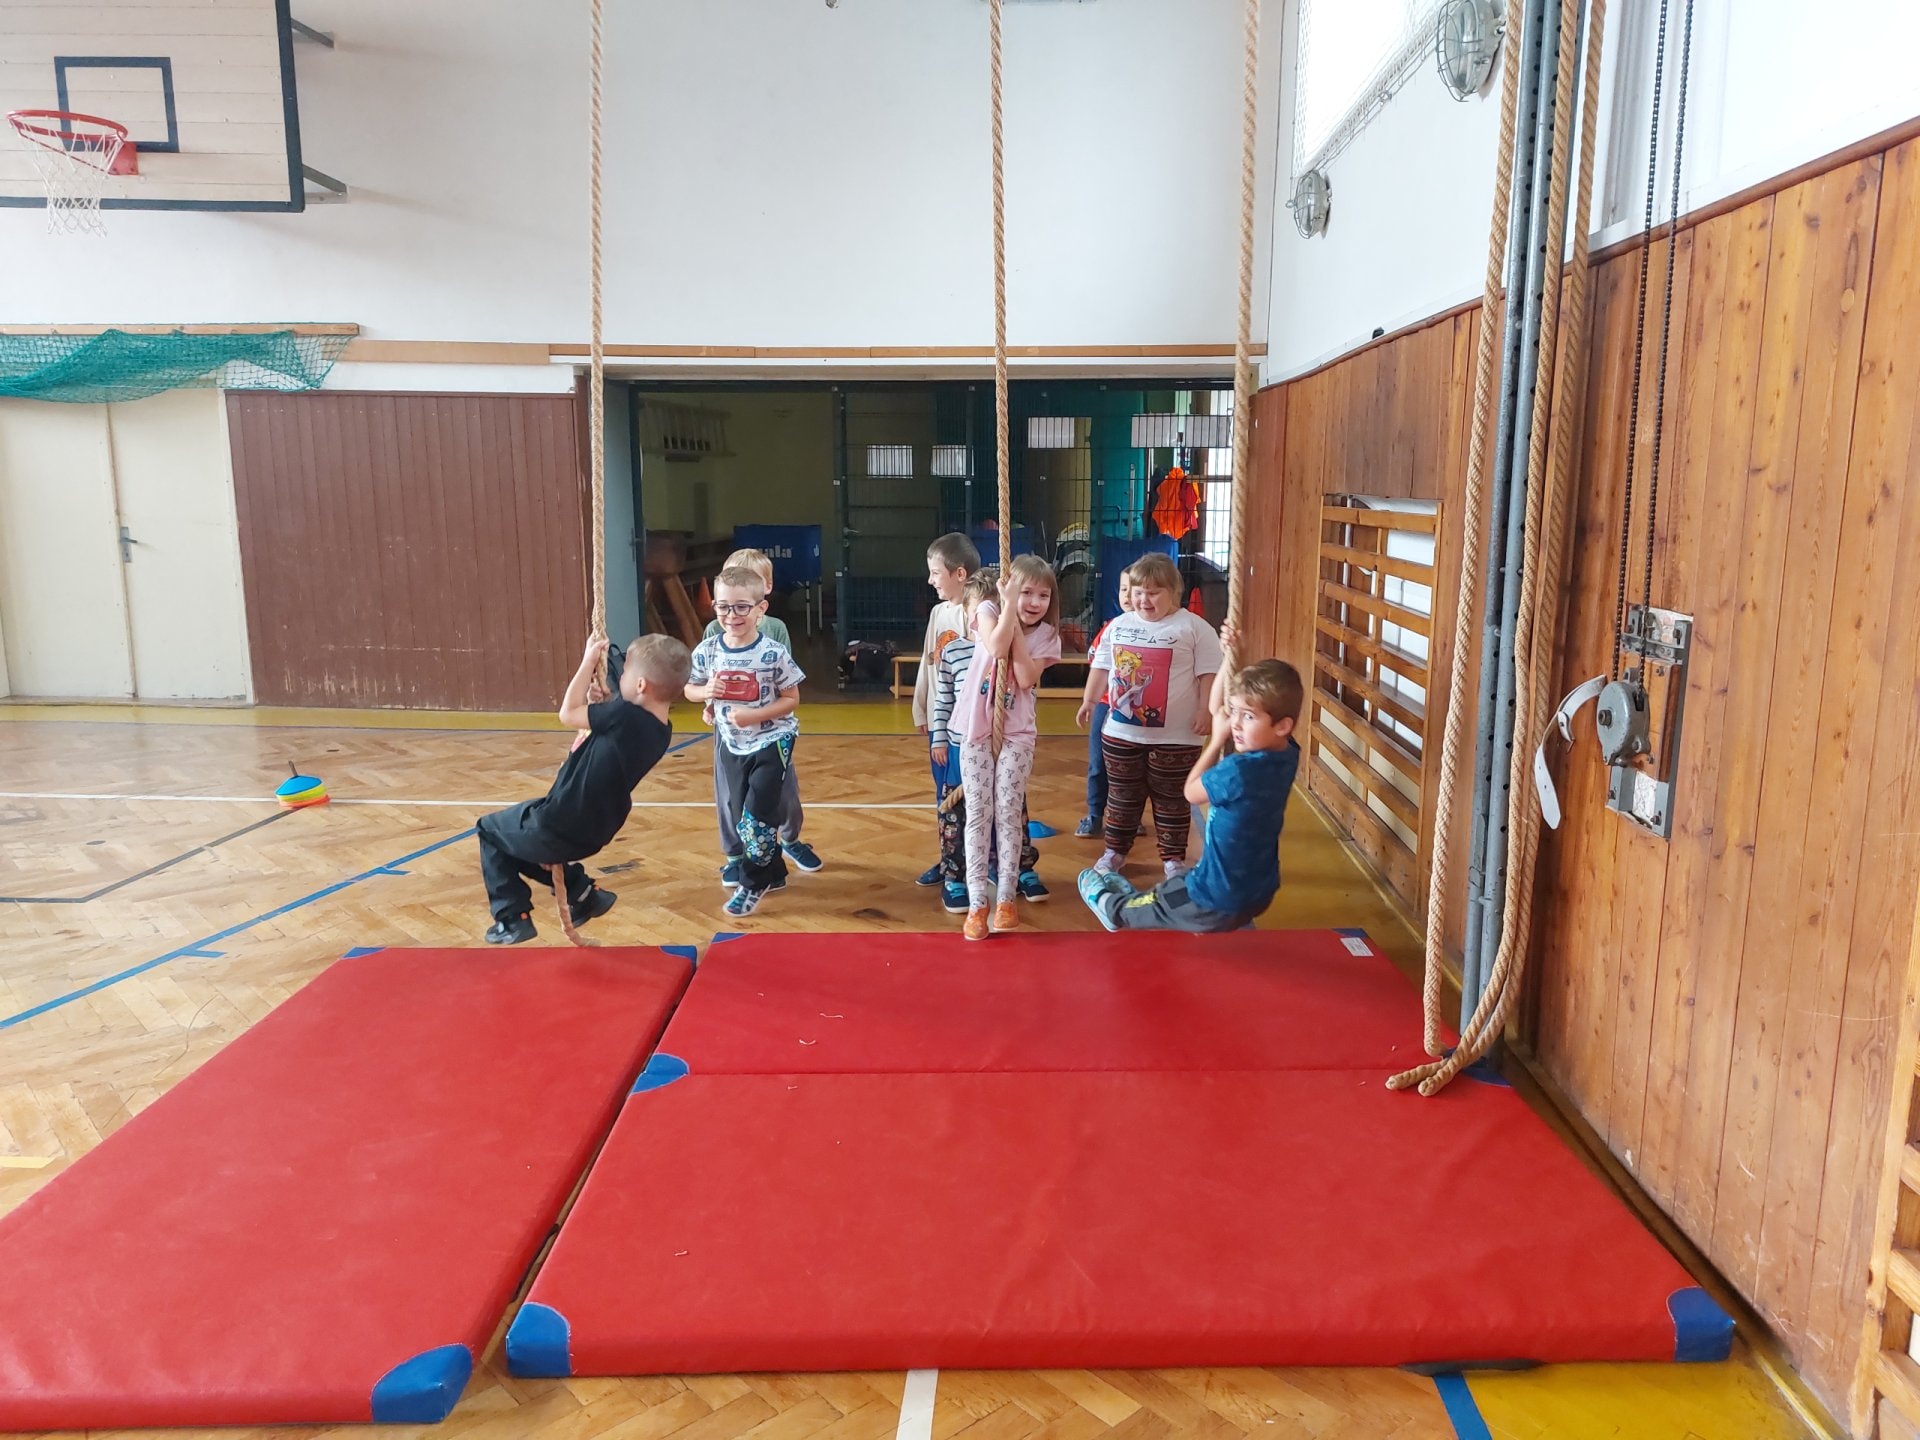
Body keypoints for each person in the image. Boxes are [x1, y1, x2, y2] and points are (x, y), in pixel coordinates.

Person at [1079, 628, 1301, 932]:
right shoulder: (1288, 753)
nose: (1234, 723)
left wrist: (1215, 741)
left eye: (1248, 716)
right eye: (1235, 712)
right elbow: (1217, 708)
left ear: (1282, 725)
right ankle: (1172, 907)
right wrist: (1229, 658)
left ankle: (1111, 906)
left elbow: (1190, 792)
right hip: (1259, 891)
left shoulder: (1239, 771)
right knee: (1180, 883)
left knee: (1155, 906)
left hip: (1214, 899)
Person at [476, 632, 691, 945]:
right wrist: (602, 703)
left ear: (641, 685)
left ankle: (512, 918)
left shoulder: (624, 716)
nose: (620, 676)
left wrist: (588, 662)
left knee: (488, 830)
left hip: (560, 818)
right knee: (513, 844)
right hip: (594, 829)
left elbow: (567, 713)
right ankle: (583, 893)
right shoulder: (661, 730)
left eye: (625, 673)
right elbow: (613, 729)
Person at [1080, 553, 1222, 879]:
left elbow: (1209, 674)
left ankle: (1173, 859)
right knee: (1122, 796)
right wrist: (1089, 701)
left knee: (1171, 800)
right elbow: (1102, 666)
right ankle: (1115, 852)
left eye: (1154, 592)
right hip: (1121, 734)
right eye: (1138, 592)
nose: (1144, 600)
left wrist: (1206, 710)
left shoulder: (1195, 628)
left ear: (1174, 593)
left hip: (1177, 737)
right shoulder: (1119, 626)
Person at [687, 566, 806, 918]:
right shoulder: (708, 650)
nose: (731, 615)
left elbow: (791, 698)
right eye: (723, 607)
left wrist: (755, 715)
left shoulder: (773, 652)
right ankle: (774, 871)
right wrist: (705, 695)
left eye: (741, 607)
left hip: (773, 740)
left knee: (757, 816)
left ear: (760, 609)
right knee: (742, 814)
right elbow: (690, 688)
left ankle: (752, 883)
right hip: (732, 743)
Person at [929, 569, 1047, 914]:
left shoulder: (1021, 643)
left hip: (1008, 737)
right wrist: (938, 737)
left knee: (1010, 809)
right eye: (979, 613)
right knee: (964, 813)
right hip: (964, 740)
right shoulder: (957, 649)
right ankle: (959, 878)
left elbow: (1024, 681)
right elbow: (944, 698)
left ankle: (1014, 874)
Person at [955, 555, 1061, 939]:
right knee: (978, 813)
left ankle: (1005, 897)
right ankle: (977, 901)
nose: (1034, 602)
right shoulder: (987, 610)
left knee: (1008, 811)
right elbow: (996, 647)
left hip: (1017, 733)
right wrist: (1008, 608)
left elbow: (1025, 676)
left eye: (1043, 595)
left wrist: (1015, 621)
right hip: (976, 728)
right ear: (1009, 590)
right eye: (1026, 592)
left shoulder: (1048, 635)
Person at [701, 547, 819, 884]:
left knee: (784, 790)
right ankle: (735, 855)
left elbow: (785, 684)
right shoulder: (713, 632)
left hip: (770, 730)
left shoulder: (775, 630)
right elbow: (708, 678)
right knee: (729, 795)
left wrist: (760, 713)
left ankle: (789, 840)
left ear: (765, 587)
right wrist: (708, 705)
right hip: (729, 731)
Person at [915, 532, 979, 888]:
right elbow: (929, 663)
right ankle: (949, 859)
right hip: (941, 726)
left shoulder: (978, 615)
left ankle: (979, 859)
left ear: (959, 574)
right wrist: (921, 709)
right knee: (944, 795)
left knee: (969, 794)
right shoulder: (938, 612)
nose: (930, 580)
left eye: (936, 573)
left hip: (968, 728)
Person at [1074, 564, 1135, 838]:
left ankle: (1128, 815)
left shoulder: (1157, 632)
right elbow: (1096, 664)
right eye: (1124, 589)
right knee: (1098, 762)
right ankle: (1095, 814)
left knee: (1132, 766)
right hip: (1105, 702)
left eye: (1135, 589)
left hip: (1135, 707)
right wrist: (1089, 700)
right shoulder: (1111, 628)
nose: (1129, 596)